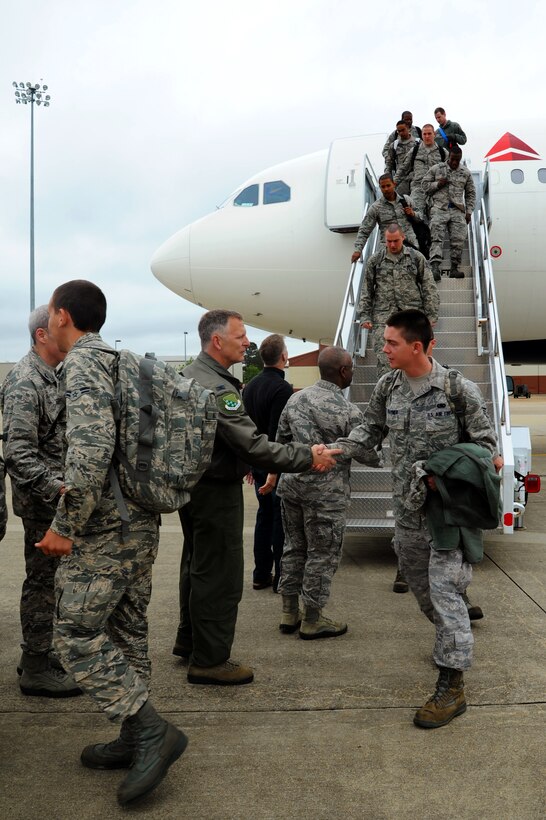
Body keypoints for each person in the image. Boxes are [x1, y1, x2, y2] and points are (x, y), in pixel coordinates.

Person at [36, 280, 187, 806]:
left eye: (52, 312)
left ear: (61, 315)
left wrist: (65, 525)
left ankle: (149, 730)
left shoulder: (81, 363)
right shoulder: (121, 360)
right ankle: (131, 736)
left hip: (104, 528)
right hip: (139, 521)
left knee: (74, 634)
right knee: (126, 627)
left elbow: (91, 450)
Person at [331, 310, 503, 729]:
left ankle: (452, 685)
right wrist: (336, 450)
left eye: (391, 343)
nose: (383, 349)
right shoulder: (388, 386)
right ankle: (451, 634)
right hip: (407, 513)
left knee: (445, 594)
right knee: (424, 592)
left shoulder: (457, 389)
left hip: (448, 514)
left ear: (417, 346)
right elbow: (370, 431)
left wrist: (440, 470)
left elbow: (487, 449)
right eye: (384, 342)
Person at [173, 310, 340, 686]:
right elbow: (252, 445)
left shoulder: (190, 375)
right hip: (216, 491)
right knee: (220, 575)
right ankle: (210, 659)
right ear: (217, 341)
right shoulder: (218, 388)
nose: (247, 343)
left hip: (193, 487)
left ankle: (190, 640)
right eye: (240, 336)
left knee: (196, 566)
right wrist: (307, 455)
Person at [0, 306, 81, 697]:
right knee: (42, 583)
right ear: (41, 335)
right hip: (41, 502)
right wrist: (58, 487)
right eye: (58, 327)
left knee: (54, 582)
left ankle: (40, 651)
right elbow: (17, 452)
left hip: (54, 500)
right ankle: (34, 667)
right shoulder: (25, 380)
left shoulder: (55, 374)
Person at [272, 346, 379, 639]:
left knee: (293, 548)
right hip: (326, 495)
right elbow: (367, 453)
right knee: (322, 553)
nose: (353, 372)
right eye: (351, 368)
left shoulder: (295, 399)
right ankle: (313, 618)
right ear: (343, 371)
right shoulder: (348, 410)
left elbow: (280, 442)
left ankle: (288, 612)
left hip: (292, 487)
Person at [243, 333, 293, 592]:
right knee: (279, 518)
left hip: (258, 460)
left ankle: (261, 573)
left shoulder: (250, 386)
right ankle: (281, 577)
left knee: (263, 516)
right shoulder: (282, 389)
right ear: (283, 356)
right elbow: (278, 433)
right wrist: (275, 471)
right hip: (275, 464)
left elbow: (246, 429)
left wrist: (251, 463)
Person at [358, 223, 439, 376]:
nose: (392, 245)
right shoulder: (375, 261)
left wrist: (431, 315)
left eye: (396, 241)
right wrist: (364, 316)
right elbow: (366, 290)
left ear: (403, 237)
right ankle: (389, 390)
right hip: (384, 319)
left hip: (412, 317)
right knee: (386, 361)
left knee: (416, 357)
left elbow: (429, 286)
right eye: (389, 241)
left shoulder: (416, 258)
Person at [421, 146, 476, 280]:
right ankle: (435, 268)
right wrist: (437, 184)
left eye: (458, 160)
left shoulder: (465, 172)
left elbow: (470, 193)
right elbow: (424, 186)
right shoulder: (437, 169)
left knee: (458, 239)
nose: (455, 162)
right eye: (453, 159)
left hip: (457, 210)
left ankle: (454, 268)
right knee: (436, 238)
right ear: (448, 157)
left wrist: (469, 212)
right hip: (439, 208)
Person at [351, 174, 424, 263]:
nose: (386, 189)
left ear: (394, 184)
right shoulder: (376, 207)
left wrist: (413, 214)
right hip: (389, 251)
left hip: (410, 247)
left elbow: (421, 218)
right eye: (383, 187)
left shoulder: (406, 200)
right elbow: (364, 230)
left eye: (388, 185)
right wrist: (358, 250)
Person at [394, 123, 447, 216]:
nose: (427, 136)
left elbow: (451, 173)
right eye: (424, 134)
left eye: (429, 134)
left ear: (434, 134)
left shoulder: (443, 153)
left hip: (436, 191)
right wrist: (393, 184)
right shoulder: (414, 151)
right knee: (414, 216)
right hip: (418, 189)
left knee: (438, 219)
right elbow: (403, 169)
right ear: (421, 135)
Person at [382, 120, 417, 194]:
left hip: (415, 178)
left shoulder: (417, 143)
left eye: (403, 130)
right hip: (400, 180)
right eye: (399, 131)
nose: (401, 133)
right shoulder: (394, 145)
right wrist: (387, 178)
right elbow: (389, 163)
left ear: (408, 128)